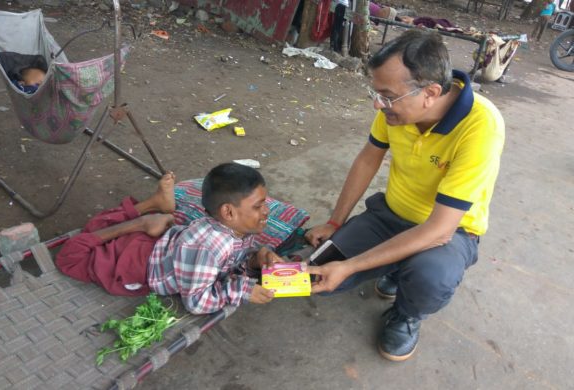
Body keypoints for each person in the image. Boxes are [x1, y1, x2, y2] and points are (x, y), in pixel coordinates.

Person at [306, 29, 505, 361]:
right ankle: (396, 267)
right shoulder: (395, 110)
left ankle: (407, 313)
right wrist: (334, 221)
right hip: (390, 215)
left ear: (429, 92)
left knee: (429, 277)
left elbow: (439, 230)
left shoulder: (481, 126)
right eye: (376, 93)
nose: (377, 103)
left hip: (450, 233)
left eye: (386, 95)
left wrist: (353, 265)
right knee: (316, 272)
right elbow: (369, 158)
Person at [56, 163, 282, 314]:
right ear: (228, 213)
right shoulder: (210, 248)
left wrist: (255, 259)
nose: (266, 211)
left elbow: (231, 260)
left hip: (161, 243)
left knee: (101, 228)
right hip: (135, 265)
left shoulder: (231, 229)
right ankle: (143, 219)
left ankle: (151, 212)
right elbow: (196, 302)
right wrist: (240, 290)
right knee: (73, 255)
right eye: (258, 206)